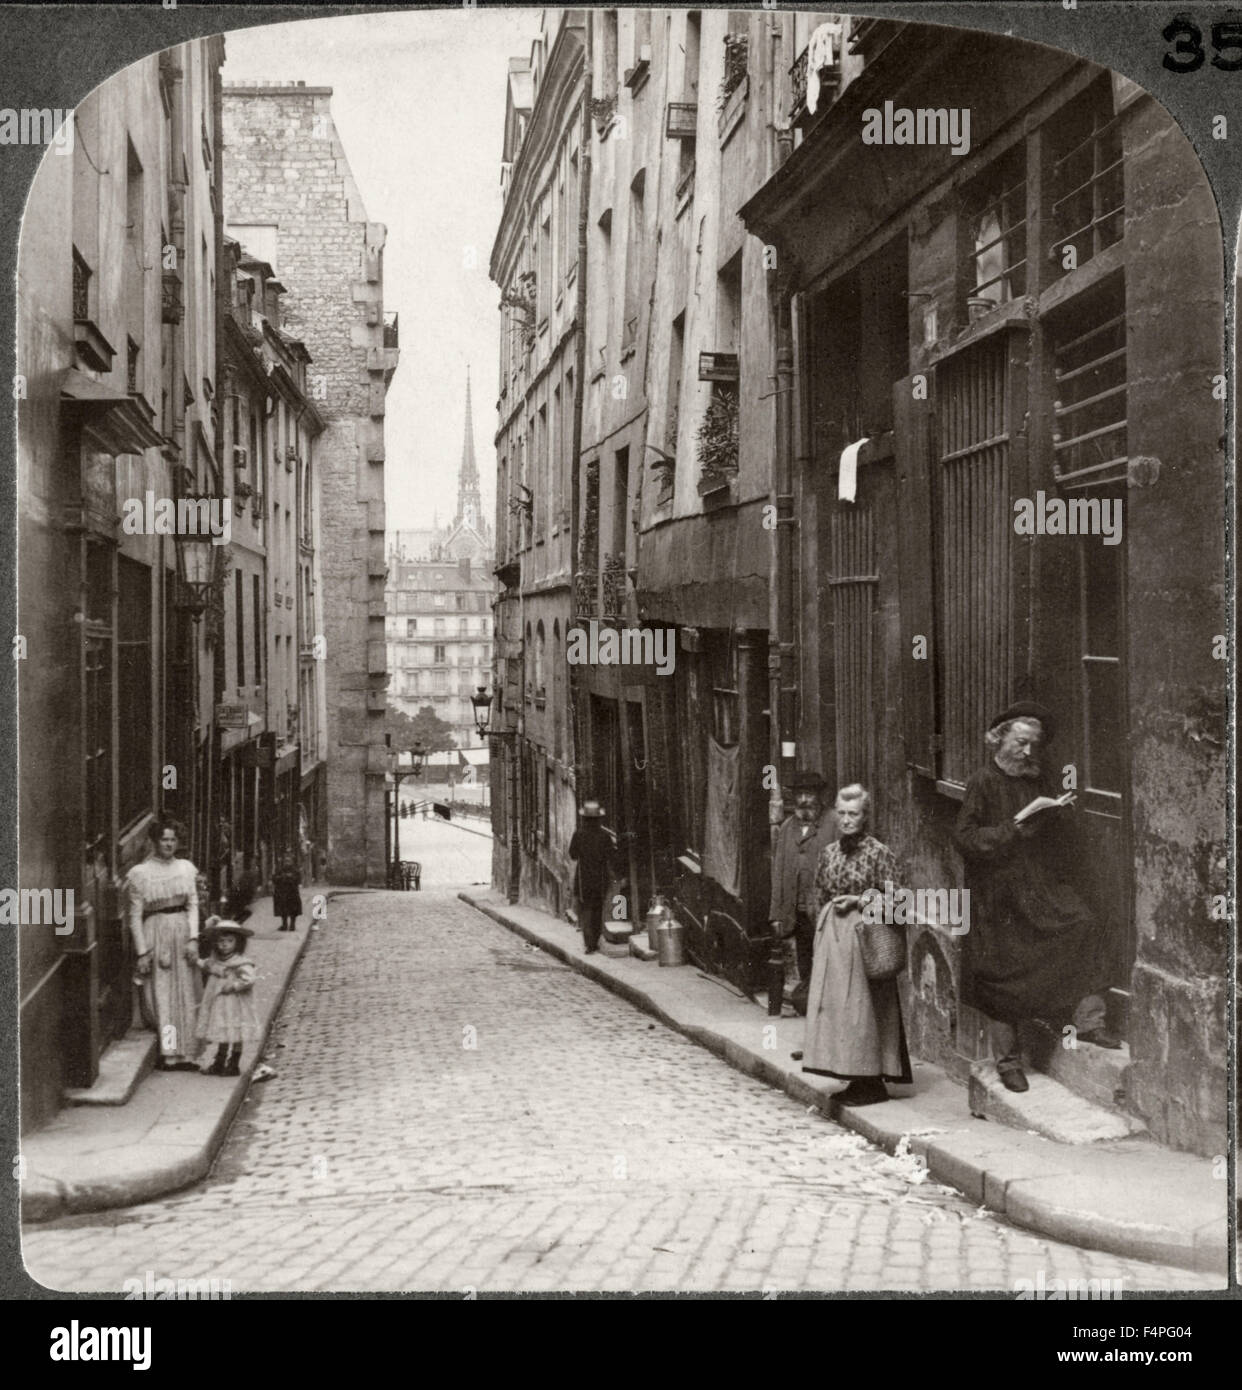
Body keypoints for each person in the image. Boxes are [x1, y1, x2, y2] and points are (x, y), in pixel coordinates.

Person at [954, 702, 1117, 1094]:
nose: (1028, 753)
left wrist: (1055, 813)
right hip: (997, 895)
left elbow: (1049, 840)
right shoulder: (982, 782)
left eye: (1034, 746)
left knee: (1084, 923)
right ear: (1000, 740)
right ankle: (1008, 1061)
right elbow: (966, 839)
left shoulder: (1036, 781)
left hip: (1037, 887)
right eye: (1021, 744)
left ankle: (1089, 1023)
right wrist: (1012, 829)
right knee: (1001, 967)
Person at [802, 784, 912, 1106]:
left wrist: (860, 900)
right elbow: (818, 895)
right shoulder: (828, 853)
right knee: (841, 1012)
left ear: (865, 817)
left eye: (854, 814)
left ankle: (872, 1081)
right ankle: (851, 1075)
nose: (847, 820)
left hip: (867, 941)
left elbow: (901, 905)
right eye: (842, 813)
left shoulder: (879, 853)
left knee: (864, 1012)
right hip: (834, 942)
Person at [125, 818, 203, 1072]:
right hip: (155, 933)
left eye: (172, 840)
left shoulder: (185, 868)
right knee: (163, 995)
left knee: (186, 991)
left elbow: (192, 904)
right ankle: (169, 1054)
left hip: (181, 931)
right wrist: (143, 952)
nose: (169, 844)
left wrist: (193, 938)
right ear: (155, 842)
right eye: (164, 840)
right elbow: (135, 916)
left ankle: (188, 1053)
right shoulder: (141, 874)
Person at [768, 771, 836, 1014]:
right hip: (797, 912)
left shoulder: (834, 823)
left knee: (828, 963)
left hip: (825, 911)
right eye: (800, 795)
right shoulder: (788, 828)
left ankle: (827, 1014)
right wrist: (776, 913)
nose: (805, 800)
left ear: (820, 796)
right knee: (805, 963)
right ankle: (812, 1013)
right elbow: (778, 871)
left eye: (810, 794)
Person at [196, 919, 260, 1076]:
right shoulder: (216, 961)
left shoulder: (241, 962)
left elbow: (249, 979)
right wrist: (194, 960)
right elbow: (207, 965)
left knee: (236, 1031)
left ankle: (233, 1063)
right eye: (221, 941)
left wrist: (234, 985)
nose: (224, 945)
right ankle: (219, 1061)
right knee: (223, 1030)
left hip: (236, 1003)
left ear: (237, 943)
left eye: (229, 941)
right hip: (220, 1004)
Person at [568, 800, 614, 955]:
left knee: (585, 909)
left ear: (584, 819)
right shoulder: (604, 836)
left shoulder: (579, 834)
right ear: (598, 819)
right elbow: (609, 855)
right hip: (600, 877)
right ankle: (594, 940)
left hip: (584, 878)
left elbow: (573, 855)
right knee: (598, 909)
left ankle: (589, 943)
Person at [272, 854, 303, 932]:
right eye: (286, 861)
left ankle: (292, 925)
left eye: (289, 861)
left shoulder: (295, 870)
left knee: (293, 910)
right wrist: (282, 877)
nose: (287, 863)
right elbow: (274, 878)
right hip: (282, 893)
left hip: (292, 893)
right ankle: (284, 925)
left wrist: (289, 878)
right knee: (283, 909)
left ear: (292, 862)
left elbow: (298, 880)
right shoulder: (280, 870)